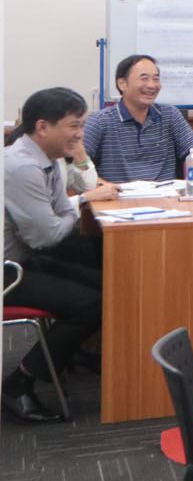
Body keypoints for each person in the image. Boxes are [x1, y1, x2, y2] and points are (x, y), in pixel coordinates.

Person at [3, 88, 116, 424]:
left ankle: (67, 352)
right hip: (9, 270)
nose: (80, 134)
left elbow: (62, 211)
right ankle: (18, 384)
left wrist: (69, 207)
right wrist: (75, 206)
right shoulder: (21, 167)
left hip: (23, 258)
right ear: (42, 127)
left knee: (107, 283)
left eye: (82, 125)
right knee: (93, 303)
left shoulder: (47, 157)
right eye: (74, 126)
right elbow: (48, 235)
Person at [83, 54, 193, 182]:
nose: (152, 85)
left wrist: (191, 181)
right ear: (122, 83)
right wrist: (103, 186)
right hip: (118, 193)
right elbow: (78, 164)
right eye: (144, 78)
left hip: (166, 192)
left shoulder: (170, 114)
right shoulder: (100, 121)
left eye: (156, 79)